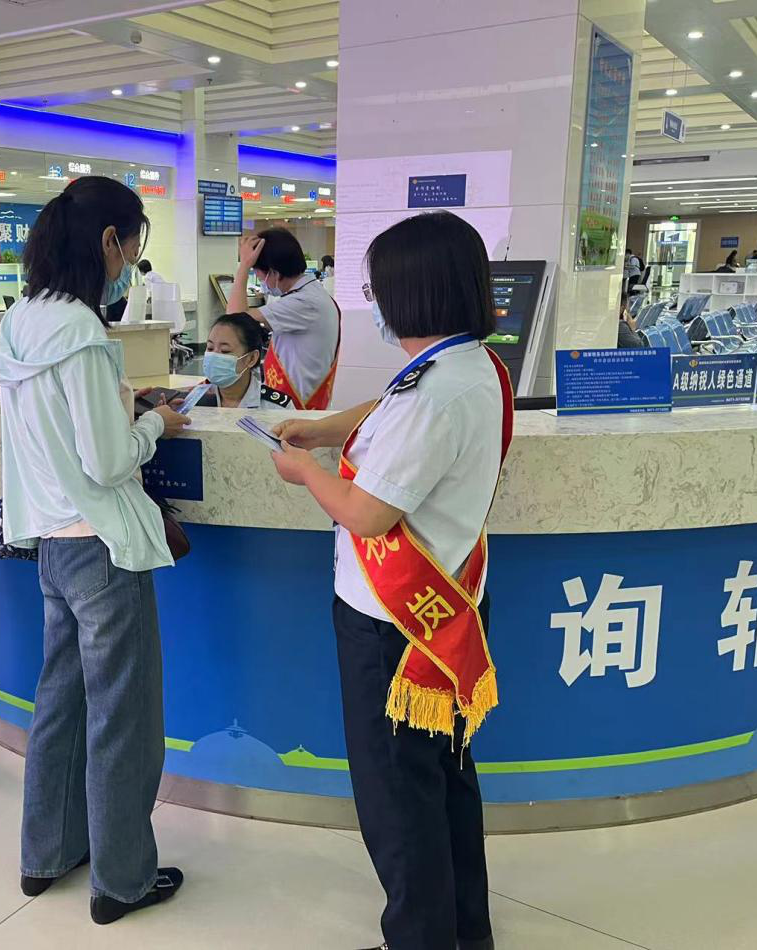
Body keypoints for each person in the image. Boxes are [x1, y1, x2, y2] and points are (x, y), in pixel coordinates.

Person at [269, 211, 510, 950]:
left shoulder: (435, 391)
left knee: (398, 800)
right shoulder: (471, 365)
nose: (371, 302)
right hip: (447, 611)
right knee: (445, 781)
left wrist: (304, 470)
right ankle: (464, 930)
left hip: (392, 630)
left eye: (376, 288)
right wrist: (327, 428)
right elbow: (393, 410)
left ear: (413, 292)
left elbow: (368, 515)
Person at [0, 175, 189, 926]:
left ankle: (46, 853)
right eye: (132, 247)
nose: (130, 264)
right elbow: (108, 462)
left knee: (60, 704)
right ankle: (122, 879)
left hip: (50, 541)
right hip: (104, 545)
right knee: (122, 718)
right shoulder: (82, 332)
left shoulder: (20, 321)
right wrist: (157, 425)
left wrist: (122, 410)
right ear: (110, 240)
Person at [227, 227, 340, 409]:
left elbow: (233, 322)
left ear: (275, 273)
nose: (260, 281)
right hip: (297, 404)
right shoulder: (311, 294)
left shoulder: (304, 302)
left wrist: (243, 267)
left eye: (258, 274)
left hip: (296, 409)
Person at [193, 313, 293, 409]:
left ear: (251, 358)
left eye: (225, 351)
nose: (214, 356)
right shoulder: (195, 399)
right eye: (210, 348)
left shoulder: (275, 407)